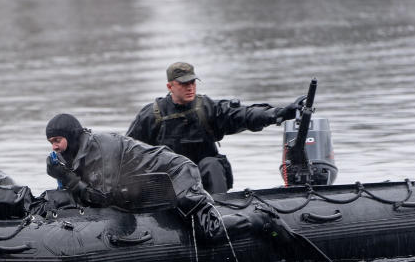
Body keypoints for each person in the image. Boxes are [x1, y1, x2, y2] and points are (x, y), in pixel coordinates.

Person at [126, 61, 305, 194]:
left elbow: (243, 115)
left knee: (212, 164)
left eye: (192, 83)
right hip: (169, 183)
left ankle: (221, 212)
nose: (190, 88)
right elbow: (127, 152)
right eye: (184, 84)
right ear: (170, 86)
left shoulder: (207, 108)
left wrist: (279, 113)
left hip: (208, 181)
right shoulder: (151, 115)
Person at [45, 113, 224, 236]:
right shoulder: (68, 155)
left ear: (70, 136)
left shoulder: (103, 147)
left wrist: (67, 177)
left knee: (208, 231)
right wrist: (62, 176)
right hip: (146, 189)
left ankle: (248, 224)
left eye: (57, 140)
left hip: (175, 173)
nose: (54, 146)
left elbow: (104, 197)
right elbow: (83, 193)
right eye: (51, 142)